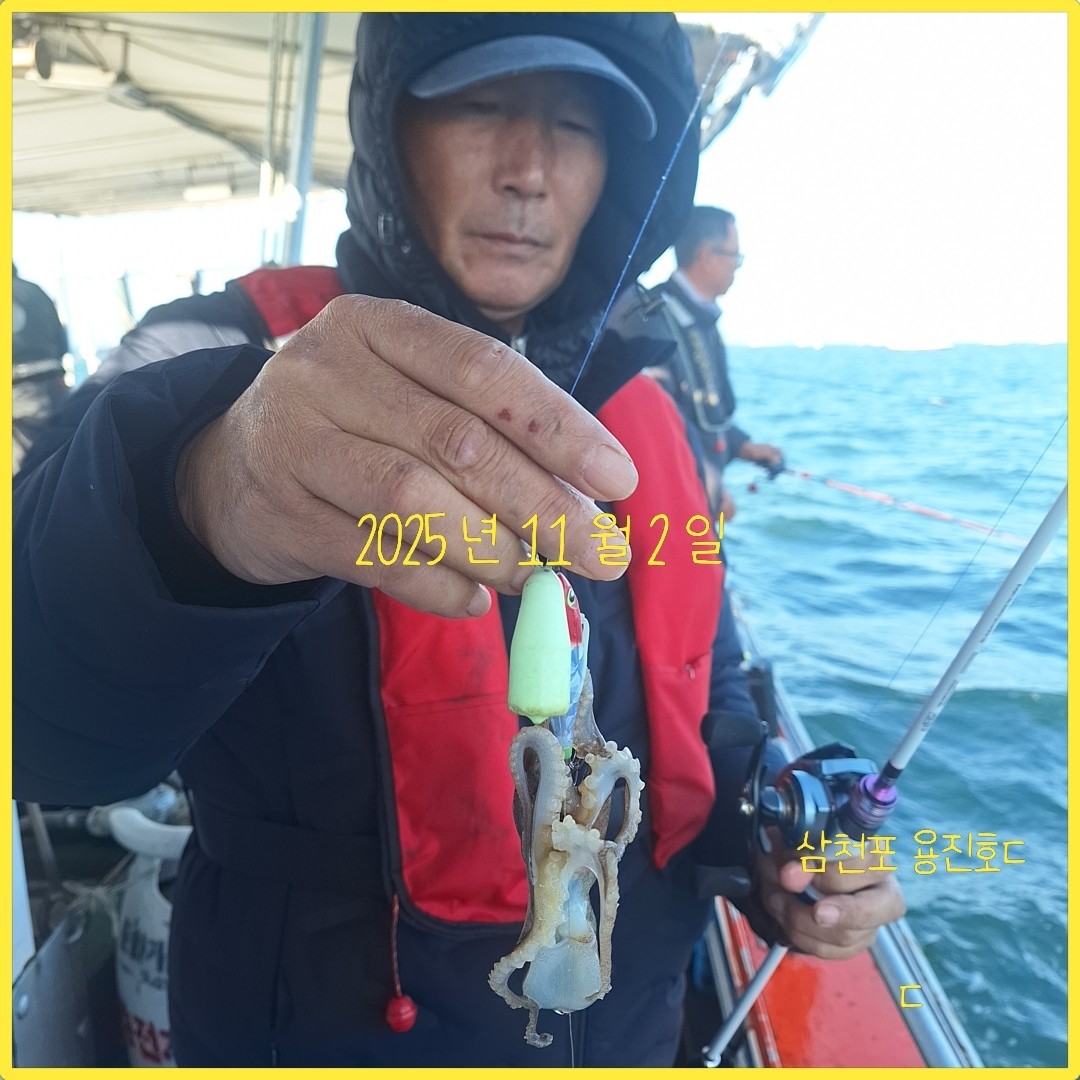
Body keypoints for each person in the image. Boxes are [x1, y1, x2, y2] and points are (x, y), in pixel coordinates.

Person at [13, 13, 902, 1067]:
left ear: (622, 173)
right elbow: (40, 721)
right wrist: (200, 497)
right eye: (481, 106)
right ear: (391, 131)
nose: (528, 170)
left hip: (630, 1021)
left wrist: (776, 825)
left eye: (577, 126)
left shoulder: (655, 407)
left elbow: (711, 682)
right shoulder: (212, 352)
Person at [651, 205, 784, 521]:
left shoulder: (701, 319)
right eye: (734, 255)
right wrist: (710, 490)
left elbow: (701, 413)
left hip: (697, 501)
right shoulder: (653, 319)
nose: (737, 266)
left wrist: (744, 446)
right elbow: (658, 426)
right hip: (673, 511)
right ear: (706, 255)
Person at [12, 264, 69, 472]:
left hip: (16, 389)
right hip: (53, 382)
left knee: (23, 470)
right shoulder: (36, 291)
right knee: (63, 453)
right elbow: (62, 341)